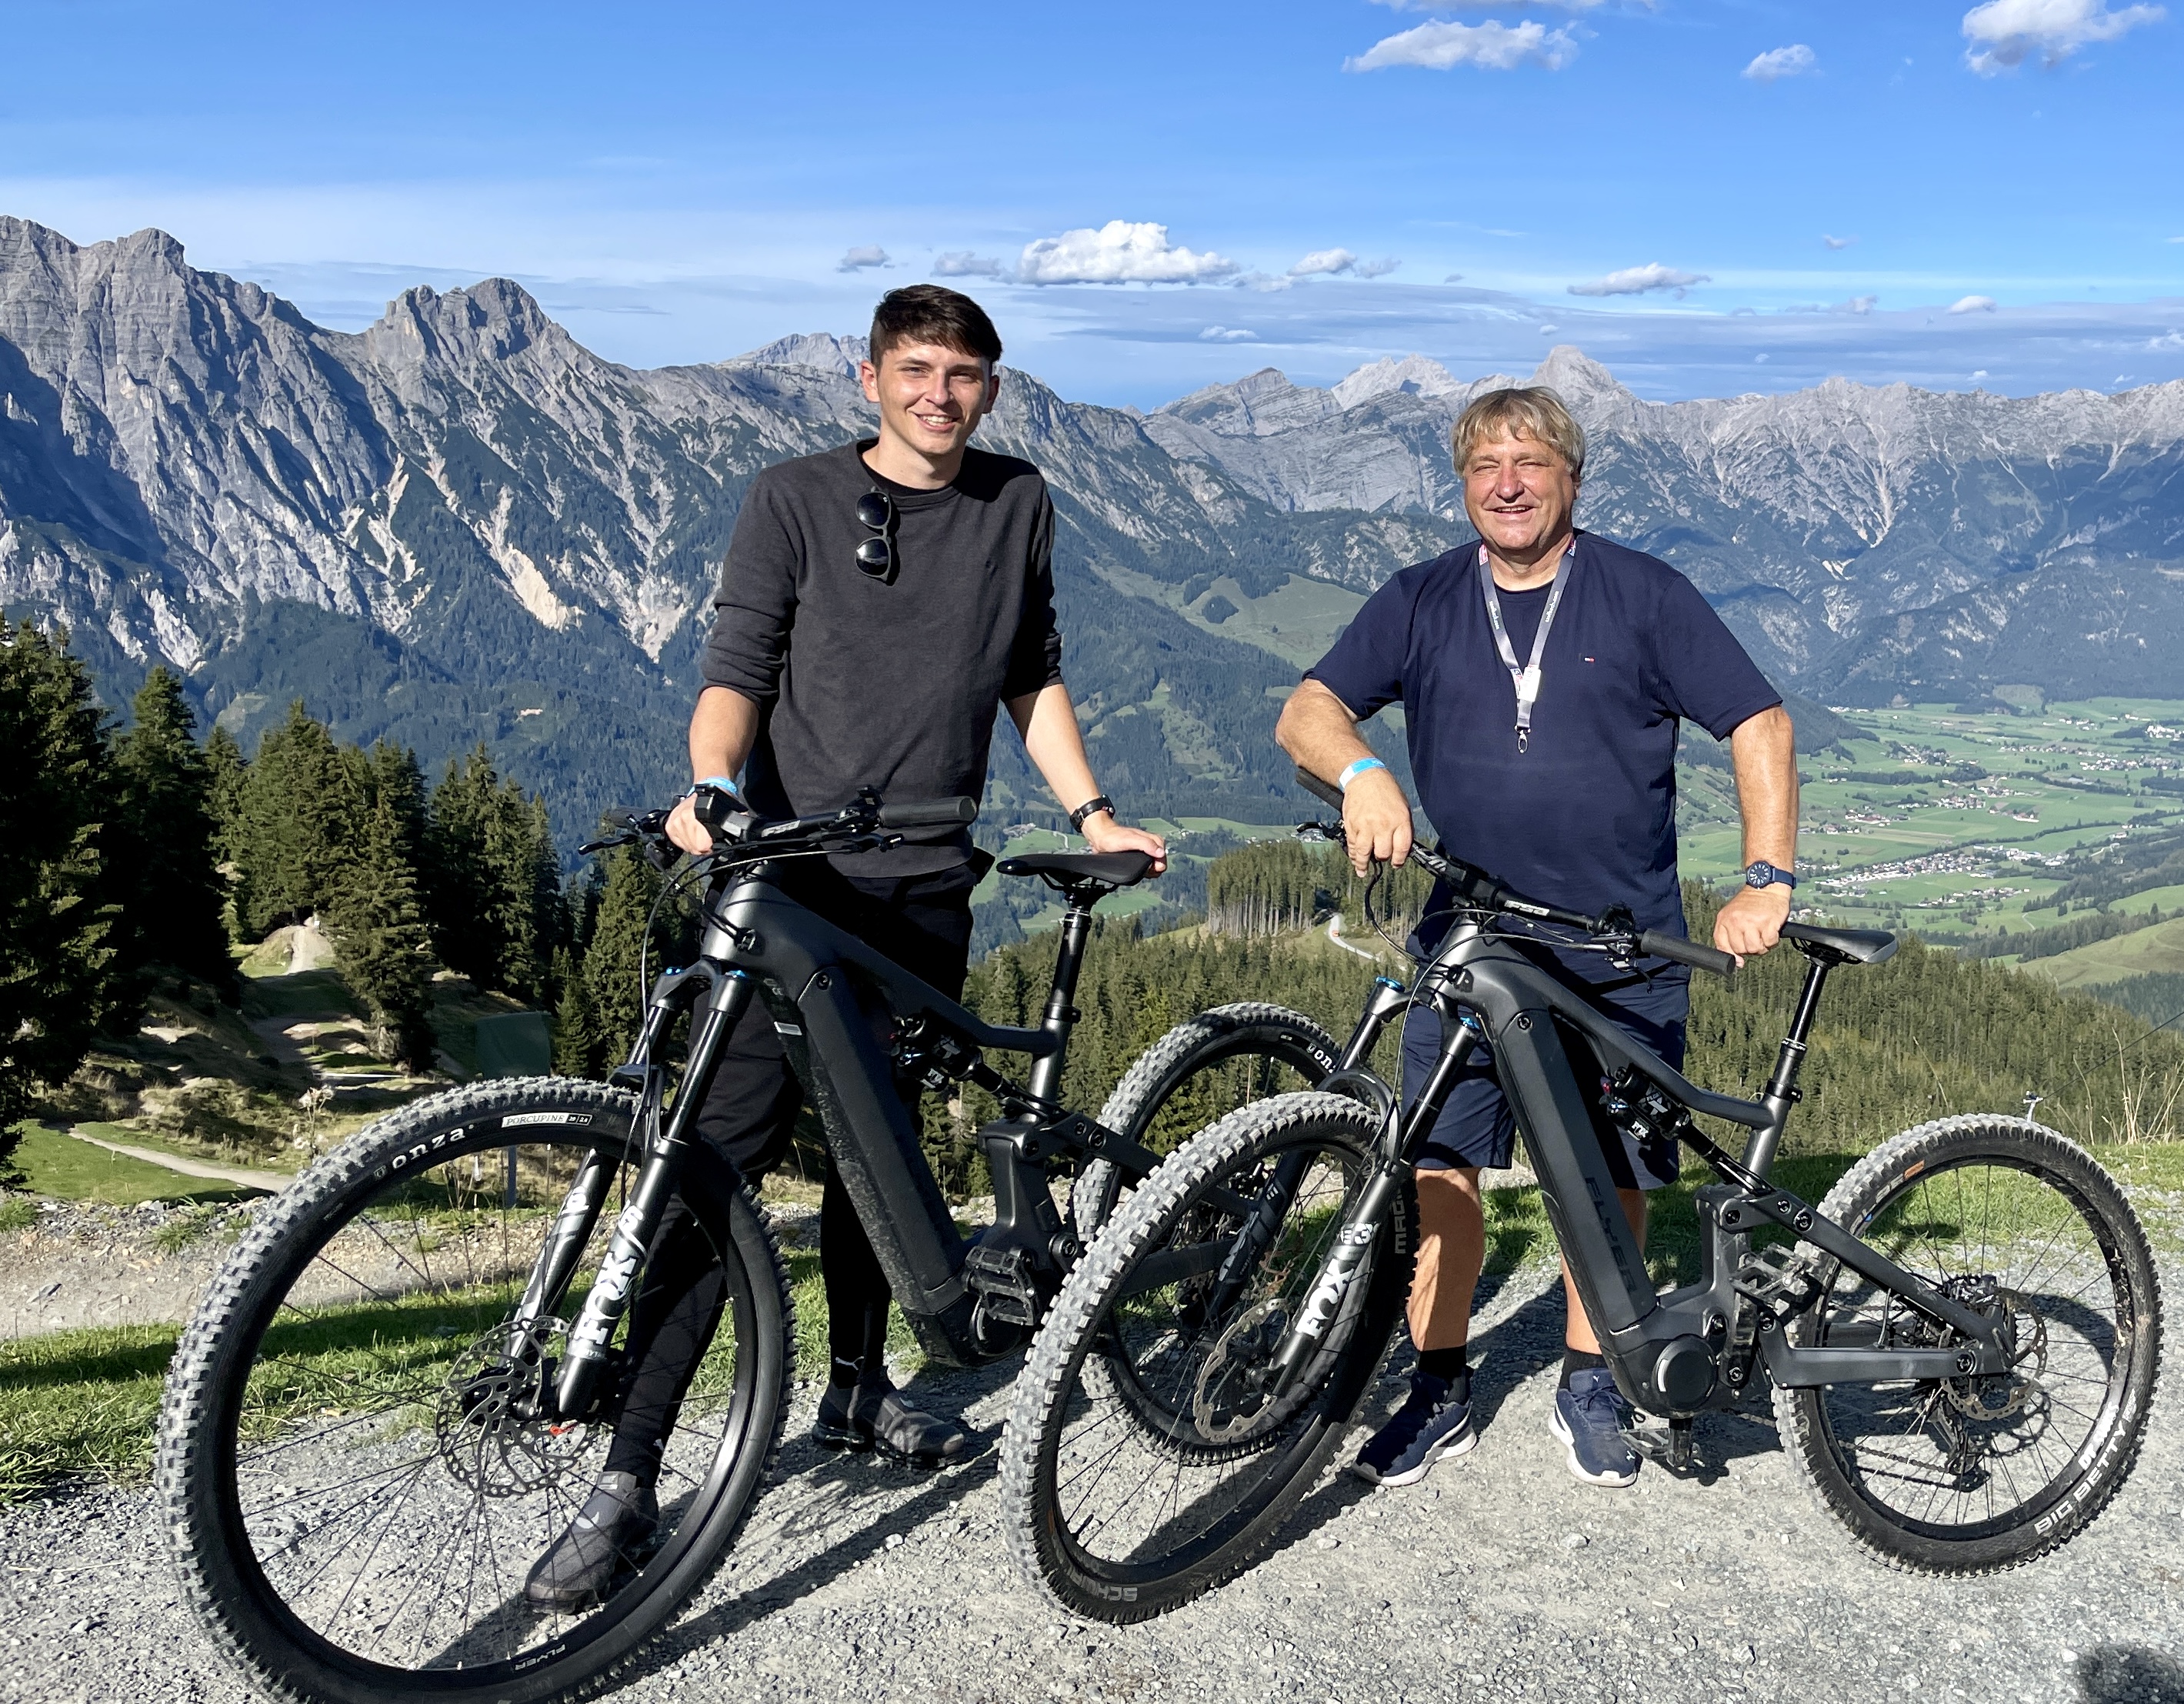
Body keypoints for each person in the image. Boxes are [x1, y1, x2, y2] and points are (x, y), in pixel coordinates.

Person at [527, 285, 1165, 1607]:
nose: (942, 393)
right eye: (918, 369)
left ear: (992, 388)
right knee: (714, 1166)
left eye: (968, 373)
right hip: (791, 879)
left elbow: (1029, 672)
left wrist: (1091, 808)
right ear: (868, 378)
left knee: (881, 1160)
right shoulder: (792, 497)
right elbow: (736, 668)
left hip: (929, 884)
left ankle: (862, 1396)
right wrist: (713, 787)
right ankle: (630, 1479)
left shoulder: (1018, 501)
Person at [1275, 385, 1796, 1492]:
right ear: (1462, 483)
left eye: (1531, 463)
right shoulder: (1419, 598)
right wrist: (1363, 770)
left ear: (1572, 476)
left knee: (1610, 1174)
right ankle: (1439, 1383)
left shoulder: (1646, 595)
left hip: (1621, 951)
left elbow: (1759, 720)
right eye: (1483, 467)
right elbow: (1307, 711)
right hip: (1468, 943)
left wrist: (1765, 878)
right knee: (1442, 1170)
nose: (1506, 485)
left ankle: (1591, 1377)